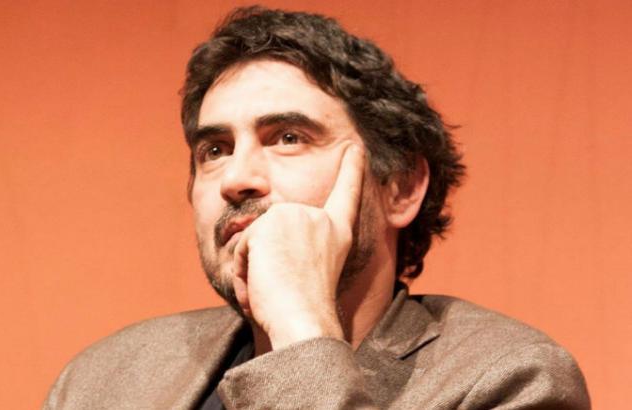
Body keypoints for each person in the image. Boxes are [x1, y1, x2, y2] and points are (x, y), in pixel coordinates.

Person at [43, 6, 590, 409]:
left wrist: (300, 330)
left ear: (401, 188)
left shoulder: (508, 378)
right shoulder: (104, 379)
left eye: (288, 138)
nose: (236, 178)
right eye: (215, 150)